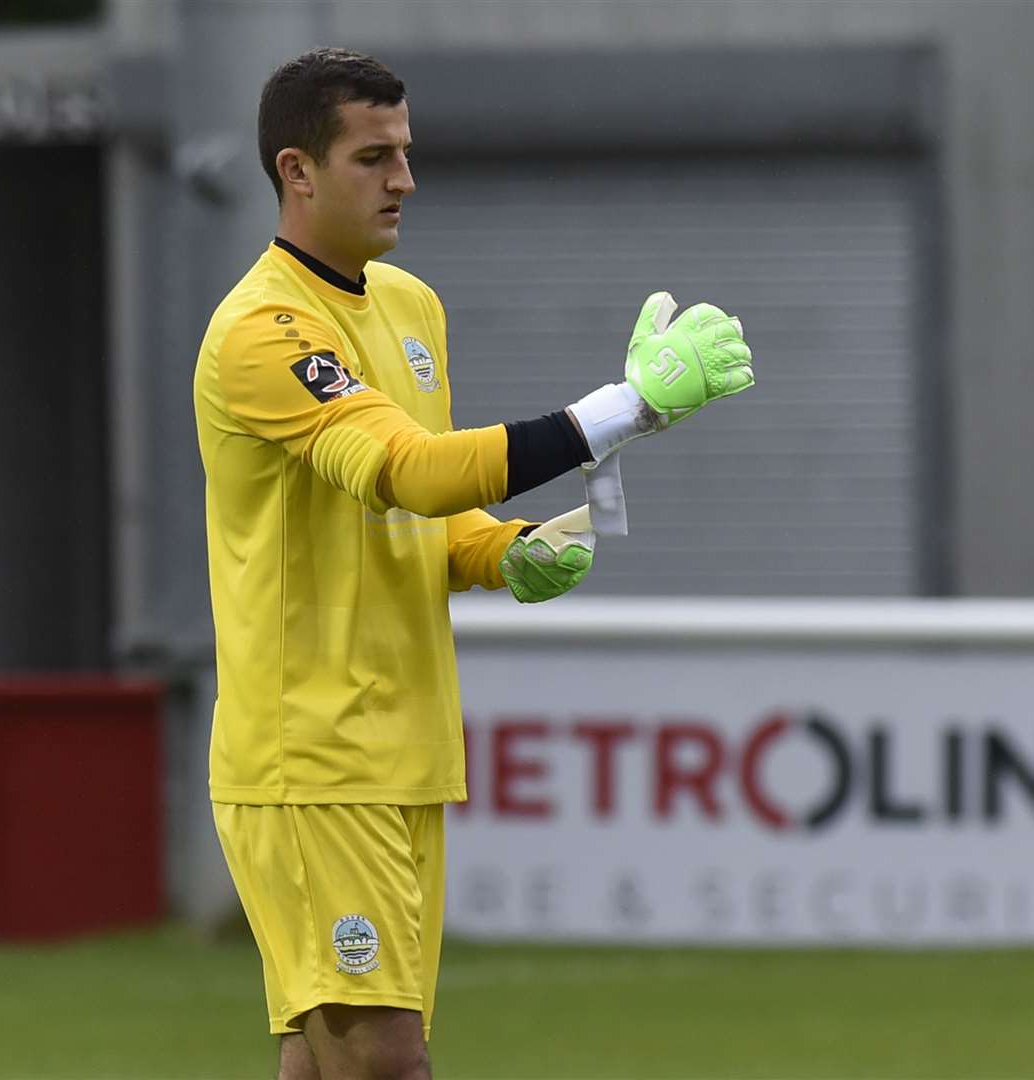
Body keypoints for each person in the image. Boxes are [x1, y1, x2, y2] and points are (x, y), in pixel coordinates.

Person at [191, 48, 753, 1080]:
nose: (405, 179)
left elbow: (432, 519)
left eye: (406, 152)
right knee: (386, 1063)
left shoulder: (410, 308)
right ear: (296, 172)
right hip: (310, 757)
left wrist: (507, 553)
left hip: (402, 747)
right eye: (373, 157)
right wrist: (618, 410)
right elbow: (405, 473)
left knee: (328, 1064)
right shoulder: (262, 333)